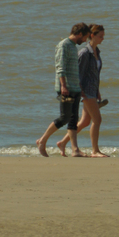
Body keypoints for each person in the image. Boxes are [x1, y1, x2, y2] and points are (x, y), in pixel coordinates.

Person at [36, 23, 90, 157]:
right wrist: (63, 86)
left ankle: (75, 150)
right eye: (85, 37)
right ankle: (42, 141)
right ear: (79, 34)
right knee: (64, 117)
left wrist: (80, 87)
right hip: (66, 88)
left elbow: (74, 70)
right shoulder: (63, 45)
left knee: (73, 119)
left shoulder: (72, 46)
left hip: (75, 87)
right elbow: (60, 67)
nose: (85, 41)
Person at [58, 24, 108, 158]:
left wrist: (97, 89)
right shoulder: (85, 53)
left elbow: (95, 74)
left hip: (92, 90)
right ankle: (95, 151)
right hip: (85, 91)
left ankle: (62, 143)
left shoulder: (97, 52)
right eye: (100, 36)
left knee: (85, 122)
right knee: (97, 120)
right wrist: (82, 92)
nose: (103, 39)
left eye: (103, 36)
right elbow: (78, 74)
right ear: (92, 36)